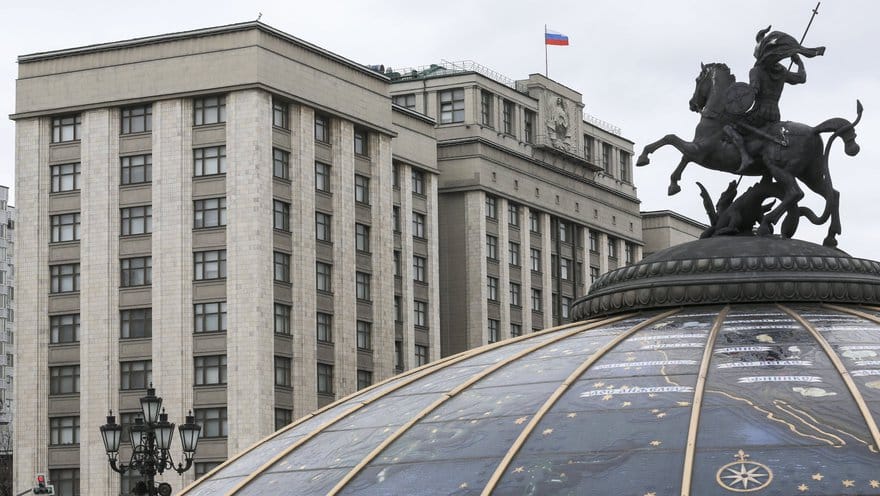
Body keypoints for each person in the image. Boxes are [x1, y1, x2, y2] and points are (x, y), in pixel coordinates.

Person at [726, 26, 825, 173]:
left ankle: (745, 156)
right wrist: (798, 62)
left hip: (759, 113)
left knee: (730, 126)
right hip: (774, 115)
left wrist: (738, 100)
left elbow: (752, 93)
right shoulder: (782, 71)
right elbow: (801, 78)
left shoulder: (756, 71)